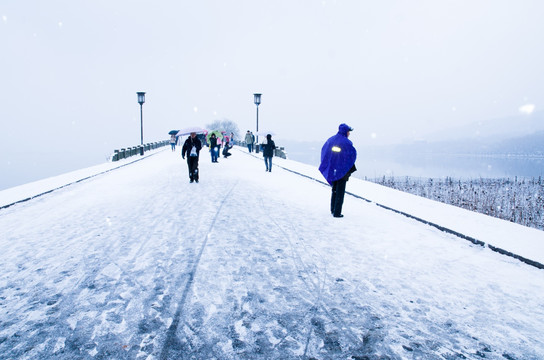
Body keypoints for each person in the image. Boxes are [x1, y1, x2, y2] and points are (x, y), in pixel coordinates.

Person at [319, 124, 357, 218]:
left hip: (333, 169)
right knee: (340, 191)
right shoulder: (346, 142)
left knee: (335, 190)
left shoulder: (331, 140)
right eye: (348, 131)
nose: (349, 133)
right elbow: (351, 155)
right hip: (342, 170)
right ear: (345, 131)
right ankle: (337, 213)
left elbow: (325, 152)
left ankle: (333, 209)